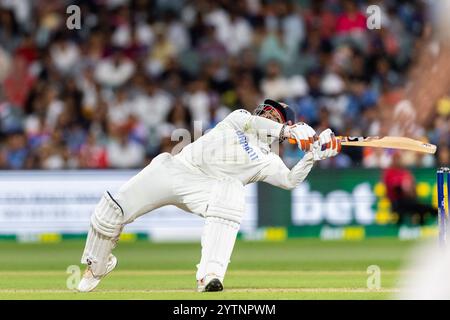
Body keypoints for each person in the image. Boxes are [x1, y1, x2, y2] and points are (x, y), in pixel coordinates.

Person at [76, 99, 341, 293]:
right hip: (175, 169)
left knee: (232, 191)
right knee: (111, 210)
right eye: (266, 110)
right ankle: (97, 266)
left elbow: (289, 180)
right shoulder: (240, 119)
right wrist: (289, 131)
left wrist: (312, 156)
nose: (267, 114)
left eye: (275, 115)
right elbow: (252, 121)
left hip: (205, 189)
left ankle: (210, 275)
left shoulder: (268, 160)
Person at [383, 152, 436, 226]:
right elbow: (393, 188)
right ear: (392, 160)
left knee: (423, 207)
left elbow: (413, 185)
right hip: (397, 201)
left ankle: (423, 225)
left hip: (410, 200)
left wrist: (411, 188)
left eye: (399, 159)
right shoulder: (389, 173)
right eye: (396, 159)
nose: (398, 161)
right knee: (419, 207)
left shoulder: (405, 172)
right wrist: (403, 186)